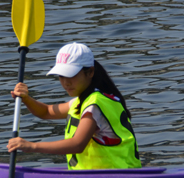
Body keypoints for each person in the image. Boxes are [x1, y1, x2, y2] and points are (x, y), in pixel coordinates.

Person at [7, 42, 141, 170]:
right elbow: (46, 112)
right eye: (61, 76)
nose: (66, 83)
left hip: (118, 177)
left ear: (90, 72)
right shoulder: (82, 101)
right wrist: (26, 99)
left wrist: (32, 146)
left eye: (71, 75)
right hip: (98, 177)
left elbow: (78, 144)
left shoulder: (95, 104)